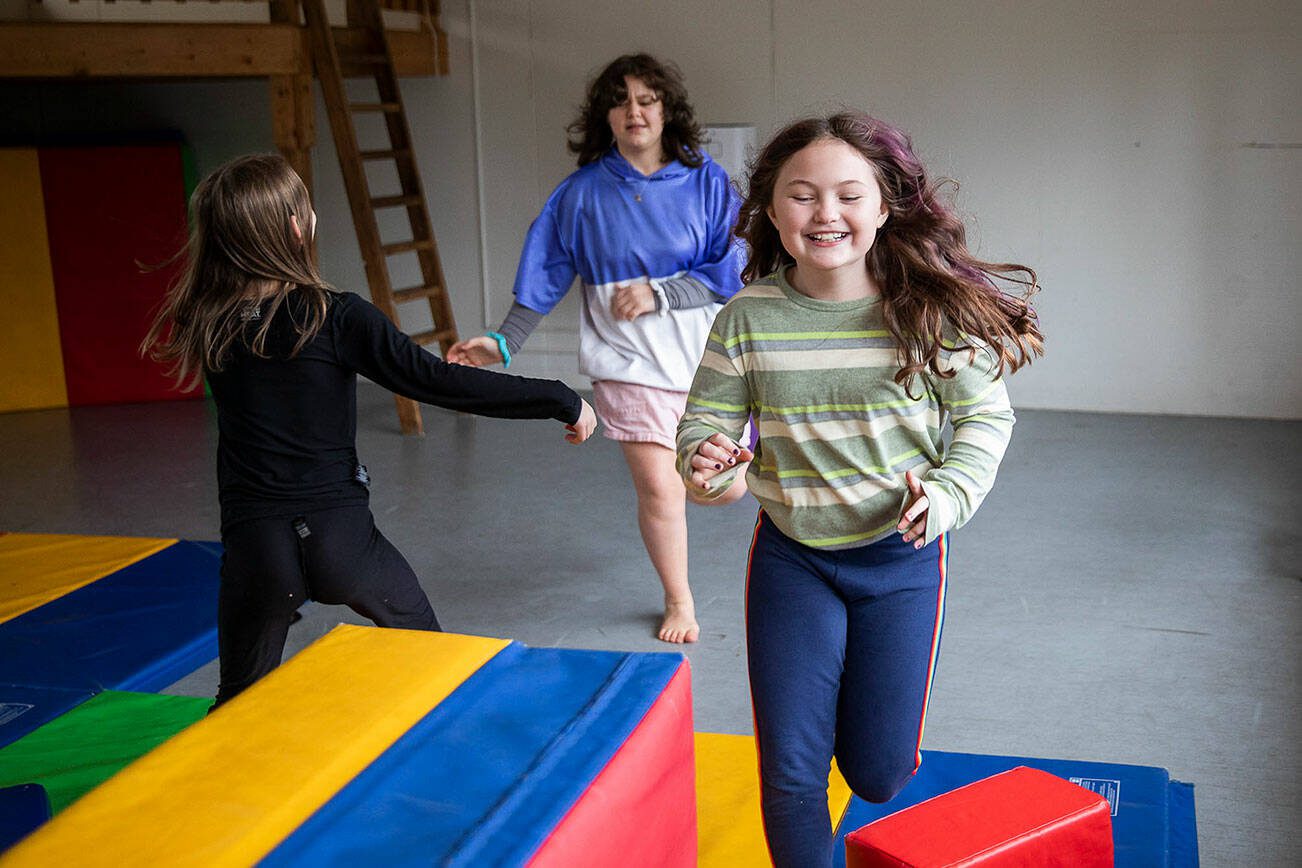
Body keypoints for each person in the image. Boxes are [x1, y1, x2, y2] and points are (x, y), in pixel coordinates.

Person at [676, 113, 1044, 866]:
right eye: (802, 196)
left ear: (885, 207)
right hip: (793, 561)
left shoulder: (926, 313)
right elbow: (701, 432)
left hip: (899, 561)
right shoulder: (746, 319)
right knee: (790, 773)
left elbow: (984, 419)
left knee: (876, 774)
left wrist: (946, 494)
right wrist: (707, 466)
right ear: (771, 211)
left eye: (849, 195)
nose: (826, 214)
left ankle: (863, 728)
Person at [141, 154, 597, 708]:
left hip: (258, 549)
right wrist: (559, 397)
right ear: (296, 227)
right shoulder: (335, 315)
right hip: (342, 542)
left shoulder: (205, 320)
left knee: (235, 700)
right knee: (434, 667)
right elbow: (440, 383)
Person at [447, 54, 745, 644]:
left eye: (647, 99)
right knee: (660, 488)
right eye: (621, 100)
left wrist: (663, 292)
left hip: (704, 360)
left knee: (721, 488)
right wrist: (506, 341)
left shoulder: (708, 182)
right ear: (604, 115)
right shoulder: (580, 195)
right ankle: (679, 599)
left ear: (666, 111)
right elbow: (546, 270)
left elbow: (732, 263)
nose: (634, 111)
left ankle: (722, 476)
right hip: (626, 363)